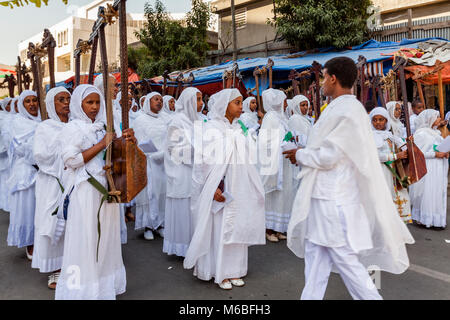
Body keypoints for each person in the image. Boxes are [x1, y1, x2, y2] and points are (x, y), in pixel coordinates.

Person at [283, 56, 414, 300]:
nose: (322, 82)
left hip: (333, 198)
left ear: (333, 78)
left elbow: (331, 155)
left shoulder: (348, 110)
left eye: (323, 77)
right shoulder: (338, 106)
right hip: (324, 196)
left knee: (345, 261)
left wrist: (300, 154)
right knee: (316, 258)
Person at [55, 84, 133, 300]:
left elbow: (116, 154)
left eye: (97, 102)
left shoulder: (104, 125)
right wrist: (102, 143)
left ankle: (103, 288)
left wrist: (126, 140)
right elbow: (72, 161)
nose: (95, 107)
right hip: (85, 192)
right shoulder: (72, 129)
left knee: (106, 239)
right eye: (89, 102)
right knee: (85, 239)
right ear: (78, 104)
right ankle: (82, 290)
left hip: (106, 189)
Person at [183, 88, 265, 290]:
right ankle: (220, 272)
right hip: (220, 186)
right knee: (220, 229)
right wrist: (213, 188)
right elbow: (203, 162)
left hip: (240, 186)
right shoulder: (211, 128)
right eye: (237, 102)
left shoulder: (240, 127)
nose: (240, 106)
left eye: (241, 102)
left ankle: (235, 270)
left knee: (238, 225)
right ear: (224, 105)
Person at [32, 87, 71, 289]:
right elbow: (41, 156)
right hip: (52, 183)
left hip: (73, 180)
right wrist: (66, 146)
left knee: (74, 225)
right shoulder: (45, 128)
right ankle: (55, 269)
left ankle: (72, 266)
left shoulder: (77, 125)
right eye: (60, 100)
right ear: (51, 105)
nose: (66, 103)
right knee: (52, 221)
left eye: (68, 98)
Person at [163, 87, 203, 257]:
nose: (201, 104)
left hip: (196, 170)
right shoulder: (176, 121)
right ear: (188, 102)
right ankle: (181, 248)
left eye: (202, 99)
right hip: (181, 172)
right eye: (198, 99)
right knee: (183, 210)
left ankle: (194, 245)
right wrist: (199, 149)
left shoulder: (198, 120)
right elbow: (174, 148)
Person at [7, 90, 41, 260]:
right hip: (25, 173)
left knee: (41, 210)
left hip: (43, 171)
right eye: (27, 101)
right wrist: (37, 159)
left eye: (35, 100)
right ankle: (30, 243)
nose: (32, 104)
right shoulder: (18, 123)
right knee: (28, 209)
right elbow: (21, 148)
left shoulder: (44, 120)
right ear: (21, 104)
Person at [258, 89, 296, 242]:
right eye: (284, 100)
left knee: (283, 195)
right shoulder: (270, 117)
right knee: (273, 196)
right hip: (274, 163)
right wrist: (281, 141)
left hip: (284, 162)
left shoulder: (282, 117)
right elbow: (265, 141)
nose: (286, 103)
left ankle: (279, 228)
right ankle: (269, 229)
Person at [134, 92, 168, 241]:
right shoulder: (140, 119)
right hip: (148, 161)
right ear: (148, 102)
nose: (159, 102)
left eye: (161, 100)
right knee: (150, 193)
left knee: (162, 193)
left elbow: (168, 138)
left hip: (163, 161)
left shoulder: (164, 119)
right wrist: (152, 154)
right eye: (156, 99)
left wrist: (164, 152)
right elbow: (140, 140)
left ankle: (160, 224)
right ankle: (148, 226)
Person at [370, 107, 412, 224]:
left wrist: (409, 144)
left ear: (386, 121)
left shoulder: (390, 136)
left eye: (381, 119)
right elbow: (374, 156)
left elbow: (404, 146)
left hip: (392, 173)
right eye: (375, 120)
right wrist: (395, 156)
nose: (378, 122)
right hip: (379, 172)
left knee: (391, 198)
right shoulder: (370, 136)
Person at [409, 109, 449, 229]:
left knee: (437, 192)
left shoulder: (436, 133)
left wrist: (445, 152)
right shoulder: (421, 134)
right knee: (428, 191)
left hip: (439, 167)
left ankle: (437, 220)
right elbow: (417, 154)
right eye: (437, 117)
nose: (439, 120)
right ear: (429, 119)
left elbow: (439, 147)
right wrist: (435, 154)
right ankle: (424, 218)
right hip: (429, 167)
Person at [0, 98, 12, 212]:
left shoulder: (11, 118)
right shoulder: (3, 118)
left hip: (8, 155)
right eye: (8, 104)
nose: (10, 106)